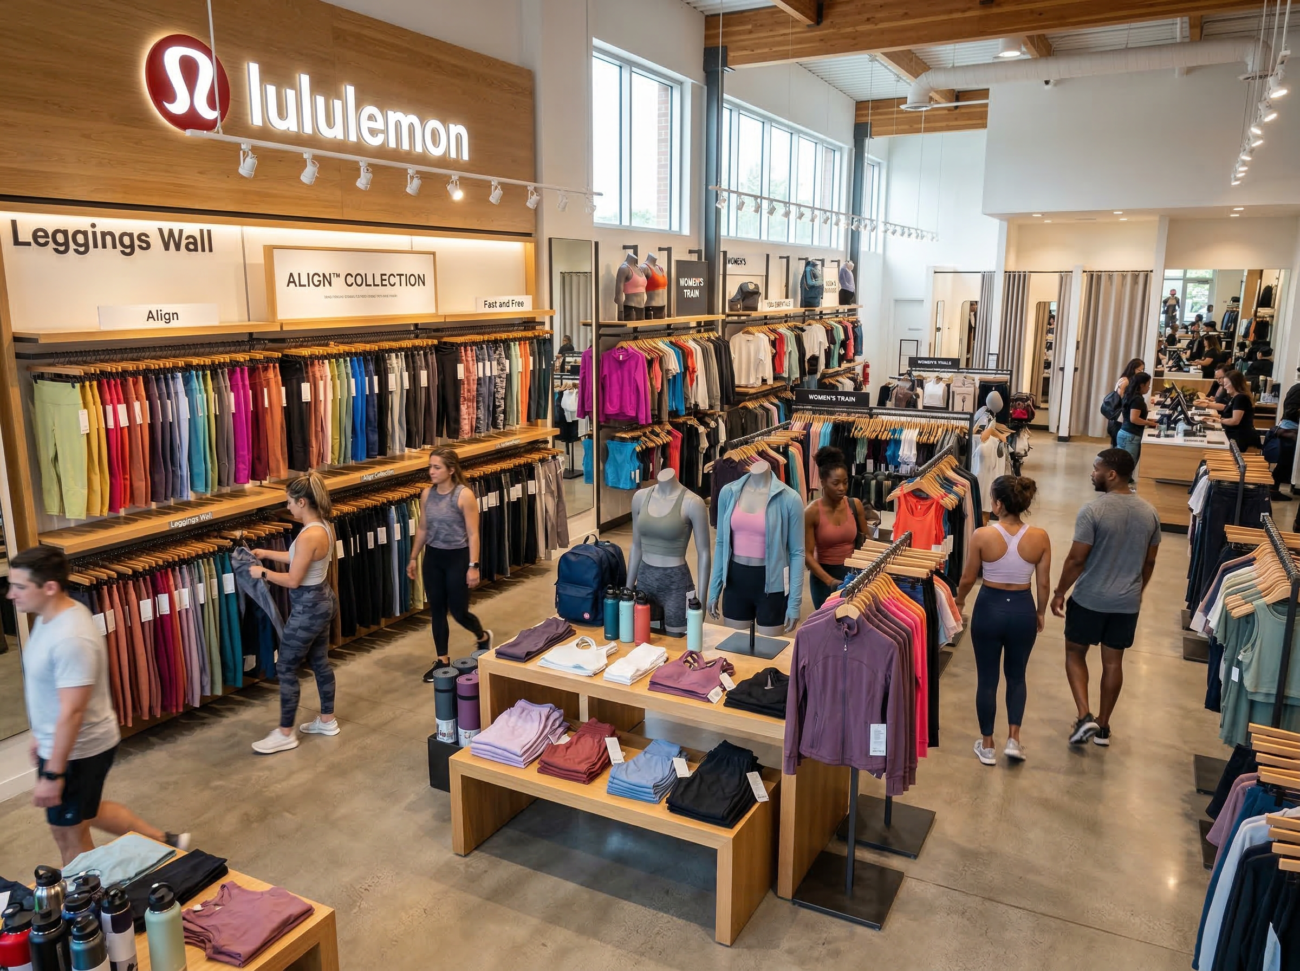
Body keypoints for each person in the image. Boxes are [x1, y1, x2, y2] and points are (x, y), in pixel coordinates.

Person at [9, 546, 189, 863]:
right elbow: (51, 691)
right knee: (86, 812)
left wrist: (53, 774)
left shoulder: (71, 637)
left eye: (20, 586)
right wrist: (40, 735)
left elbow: (73, 711)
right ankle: (164, 840)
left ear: (49, 587)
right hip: (64, 746)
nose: (11, 594)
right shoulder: (48, 617)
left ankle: (87, 904)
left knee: (69, 836)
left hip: (79, 749)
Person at [1051, 448, 1160, 747]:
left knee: (1075, 652)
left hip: (1089, 599)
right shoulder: (1149, 512)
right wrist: (1138, 590)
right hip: (1126, 603)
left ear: (1111, 474)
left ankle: (1084, 715)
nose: (1092, 473)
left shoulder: (1093, 511)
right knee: (1114, 662)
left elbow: (1076, 560)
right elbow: (1149, 562)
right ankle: (1103, 726)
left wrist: (1060, 592)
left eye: (1096, 468)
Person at [955, 476, 1051, 765]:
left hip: (989, 609)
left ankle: (987, 745)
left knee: (987, 679)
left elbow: (968, 577)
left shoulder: (982, 535)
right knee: (1017, 676)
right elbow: (1043, 584)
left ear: (997, 504)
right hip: (1022, 609)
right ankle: (1014, 740)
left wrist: (959, 602)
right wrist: (1041, 611)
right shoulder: (1040, 537)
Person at [247, 472, 339, 754]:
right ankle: (327, 720)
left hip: (308, 607)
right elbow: (299, 558)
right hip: (322, 600)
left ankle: (285, 733)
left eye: (289, 502)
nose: (287, 507)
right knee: (320, 662)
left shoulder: (310, 533)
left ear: (301, 502)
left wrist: (262, 572)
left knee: (285, 667)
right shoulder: (322, 526)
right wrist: (267, 553)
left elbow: (293, 580)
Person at [409, 447, 492, 681]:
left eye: (437, 467)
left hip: (458, 557)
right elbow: (423, 528)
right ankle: (442, 660)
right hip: (434, 558)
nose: (431, 471)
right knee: (436, 611)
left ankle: (482, 635)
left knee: (458, 611)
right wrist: (413, 557)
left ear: (451, 470)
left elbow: (473, 533)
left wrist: (473, 565)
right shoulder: (427, 494)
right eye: (430, 466)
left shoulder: (463, 495)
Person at [804, 446, 877, 609]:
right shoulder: (812, 513)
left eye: (845, 482)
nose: (842, 488)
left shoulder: (854, 505)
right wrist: (830, 581)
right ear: (823, 482)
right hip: (824, 578)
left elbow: (866, 541)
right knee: (827, 627)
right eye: (836, 483)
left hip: (854, 573)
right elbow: (807, 556)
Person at [1116, 372, 1158, 479]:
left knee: (1123, 466)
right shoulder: (1137, 399)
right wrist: (1150, 423)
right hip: (1130, 436)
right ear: (1141, 385)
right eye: (1148, 385)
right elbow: (1134, 419)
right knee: (1127, 467)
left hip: (1125, 434)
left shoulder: (1130, 395)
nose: (1149, 388)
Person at [1216, 368, 1259, 452]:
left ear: (1234, 384)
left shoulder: (1240, 398)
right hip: (1236, 436)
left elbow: (1235, 421)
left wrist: (1218, 420)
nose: (1224, 386)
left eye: (1226, 384)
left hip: (1240, 439)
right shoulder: (1235, 397)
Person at [1107, 358, 1145, 447]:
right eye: (1139, 370)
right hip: (1119, 419)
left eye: (1142, 370)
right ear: (1132, 369)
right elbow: (1122, 400)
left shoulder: (1128, 380)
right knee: (1118, 446)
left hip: (1121, 419)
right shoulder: (1125, 381)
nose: (1141, 372)